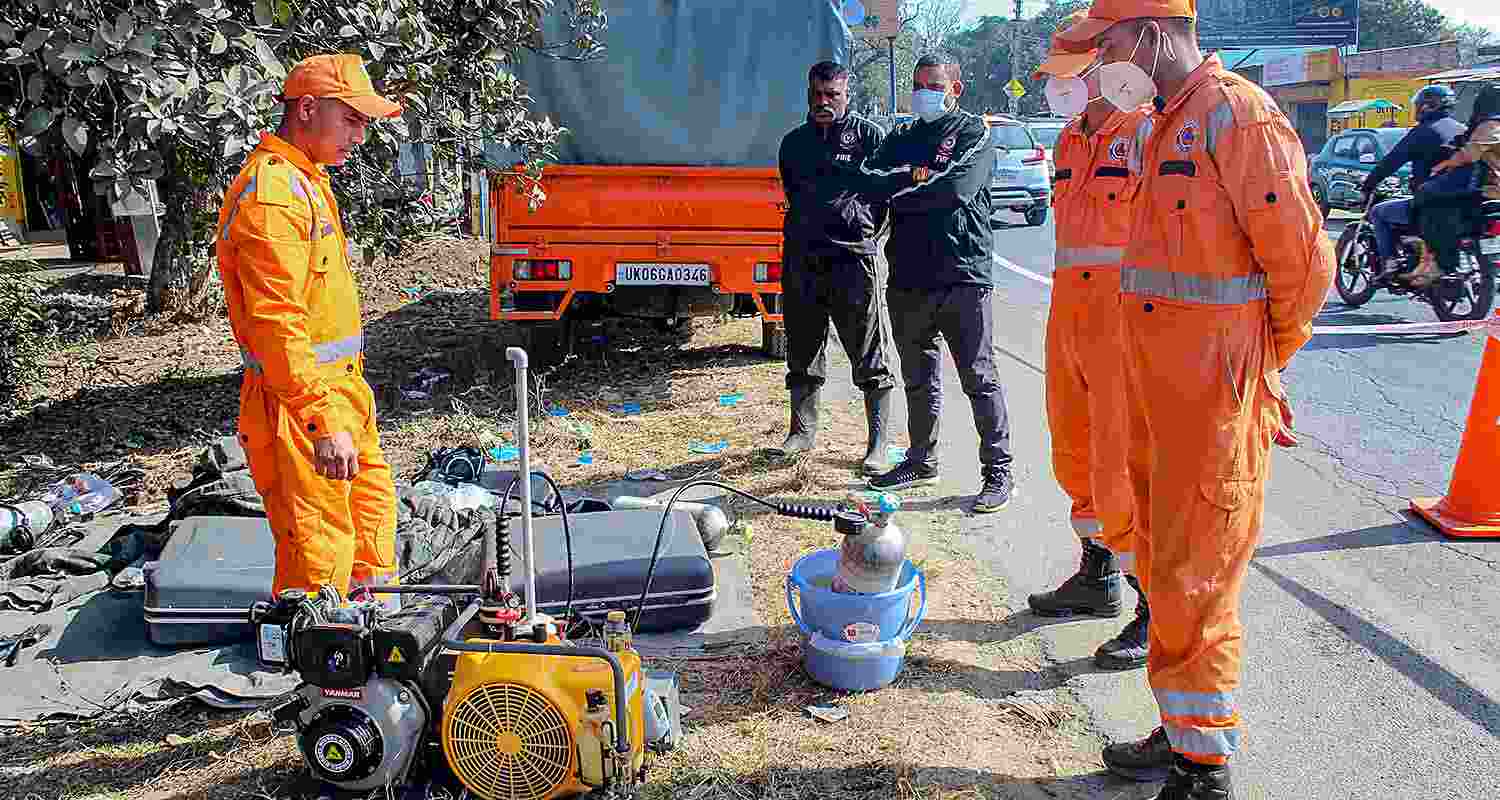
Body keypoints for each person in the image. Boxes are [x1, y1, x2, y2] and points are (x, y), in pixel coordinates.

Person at [1058, 3, 1335, 797]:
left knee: (1201, 579)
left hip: (1213, 400)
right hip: (1157, 394)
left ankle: (1204, 768)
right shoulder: (1165, 120)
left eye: (1107, 41)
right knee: (1167, 568)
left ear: (1149, 32)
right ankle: (1180, 733)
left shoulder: (1238, 116)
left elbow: (1305, 267)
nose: (1105, 57)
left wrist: (1259, 364)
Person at [216, 54, 404, 605]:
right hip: (301, 411)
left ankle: (378, 667)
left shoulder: (306, 181)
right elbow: (277, 325)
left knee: (370, 532)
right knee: (319, 560)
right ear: (306, 109)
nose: (361, 136)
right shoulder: (273, 197)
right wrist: (321, 423)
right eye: (352, 120)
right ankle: (323, 677)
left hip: (339, 396)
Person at [1025, 11, 1153, 672]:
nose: (1062, 85)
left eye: (1072, 71)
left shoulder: (1149, 134)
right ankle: (1096, 573)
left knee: (1125, 462)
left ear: (1111, 67)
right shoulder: (1073, 140)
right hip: (1068, 315)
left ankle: (1152, 607)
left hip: (1125, 320)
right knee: (1073, 446)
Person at [838, 52, 1016, 514]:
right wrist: (917, 183)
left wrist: (904, 188)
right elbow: (868, 180)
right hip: (909, 277)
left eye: (934, 85)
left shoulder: (975, 134)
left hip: (962, 273)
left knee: (978, 377)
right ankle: (921, 458)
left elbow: (955, 190)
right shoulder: (903, 134)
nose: (925, 93)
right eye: (919, 84)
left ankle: (998, 472)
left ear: (955, 88)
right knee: (918, 377)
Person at [774, 60, 898, 476]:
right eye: (817, 95)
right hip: (802, 260)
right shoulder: (793, 143)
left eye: (833, 95)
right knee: (803, 347)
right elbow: (793, 191)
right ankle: (801, 432)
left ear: (848, 95)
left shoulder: (870, 138)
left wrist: (862, 235)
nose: (824, 102)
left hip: (852, 261)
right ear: (808, 95)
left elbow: (885, 201)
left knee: (868, 352)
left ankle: (878, 442)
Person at [1359, 84, 1466, 284]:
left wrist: (1368, 185)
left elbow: (1391, 161)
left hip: (1430, 201)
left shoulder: (1422, 132)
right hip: (1464, 202)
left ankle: (1389, 263)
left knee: (1378, 213)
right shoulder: (1462, 129)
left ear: (1426, 107)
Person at [1416, 83, 1500, 281]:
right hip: (1488, 188)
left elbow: (1470, 154)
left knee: (1428, 197)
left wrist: (1443, 165)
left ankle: (1443, 262)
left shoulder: (1492, 126)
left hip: (1490, 189)